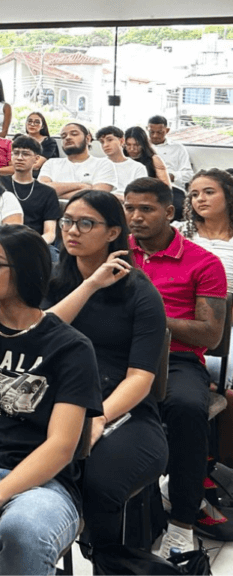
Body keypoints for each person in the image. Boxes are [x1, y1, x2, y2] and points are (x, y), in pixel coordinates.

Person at [0, 225, 103, 576]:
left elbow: (61, 447)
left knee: (23, 533)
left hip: (40, 480)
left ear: (27, 271)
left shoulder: (70, 347)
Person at [44, 189, 168, 549]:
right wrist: (90, 285)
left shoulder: (140, 294)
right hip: (56, 400)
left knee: (99, 481)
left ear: (114, 233)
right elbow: (40, 335)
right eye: (68, 221)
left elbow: (141, 379)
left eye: (86, 223)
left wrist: (100, 417)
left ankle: (110, 559)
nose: (72, 230)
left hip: (121, 410)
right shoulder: (55, 280)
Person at [125, 177, 227, 555]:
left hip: (177, 358)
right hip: (118, 355)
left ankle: (183, 520)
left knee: (186, 408)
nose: (135, 217)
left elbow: (209, 335)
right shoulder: (117, 253)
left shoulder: (204, 261)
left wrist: (150, 316)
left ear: (169, 212)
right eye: (129, 208)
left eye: (146, 209)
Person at [179, 169, 233, 387]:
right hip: (181, 314)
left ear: (229, 195)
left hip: (228, 319)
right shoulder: (179, 233)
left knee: (223, 369)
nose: (200, 199)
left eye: (209, 192)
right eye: (194, 194)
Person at [4, 136, 61, 252]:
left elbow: (50, 233)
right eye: (16, 153)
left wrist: (32, 244)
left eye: (25, 154)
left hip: (35, 243)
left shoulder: (47, 192)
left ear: (36, 159)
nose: (19, 158)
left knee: (53, 255)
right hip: (2, 240)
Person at [39, 122, 118, 199]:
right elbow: (41, 190)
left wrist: (54, 194)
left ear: (88, 138)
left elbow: (96, 195)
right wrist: (82, 186)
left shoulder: (103, 164)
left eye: (74, 134)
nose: (68, 137)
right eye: (63, 136)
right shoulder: (51, 163)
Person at [97, 126, 148, 193]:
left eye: (110, 140)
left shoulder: (138, 168)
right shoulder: (97, 165)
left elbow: (140, 194)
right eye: (102, 142)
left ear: (122, 141)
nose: (105, 145)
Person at [147, 115, 193, 188]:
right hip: (146, 186)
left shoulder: (178, 148)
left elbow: (189, 174)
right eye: (152, 132)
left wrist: (169, 176)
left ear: (167, 130)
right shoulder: (142, 147)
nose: (155, 136)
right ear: (147, 129)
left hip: (171, 187)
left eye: (159, 132)